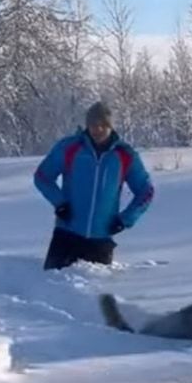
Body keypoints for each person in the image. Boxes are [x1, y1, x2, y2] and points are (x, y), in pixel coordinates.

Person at [34, 101, 155, 270]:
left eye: (103, 125)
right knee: (51, 290)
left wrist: (125, 219)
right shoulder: (70, 147)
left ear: (111, 126)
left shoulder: (125, 155)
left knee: (93, 295)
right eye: (93, 125)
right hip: (66, 235)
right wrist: (60, 203)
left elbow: (146, 191)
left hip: (101, 240)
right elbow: (42, 177)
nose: (97, 129)